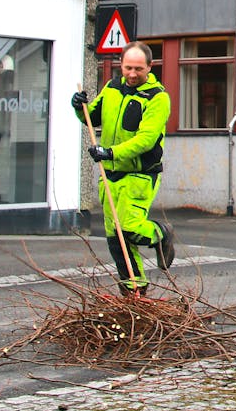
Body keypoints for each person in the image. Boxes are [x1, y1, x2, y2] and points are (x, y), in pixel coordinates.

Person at [72, 41, 174, 295]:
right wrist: (78, 105)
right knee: (116, 239)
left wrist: (111, 152)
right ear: (121, 65)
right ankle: (133, 289)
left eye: (138, 69)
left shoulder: (157, 97)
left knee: (129, 227)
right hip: (110, 174)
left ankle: (160, 234)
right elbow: (91, 118)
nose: (132, 73)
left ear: (149, 67)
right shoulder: (112, 87)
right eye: (128, 67)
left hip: (139, 174)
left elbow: (146, 139)